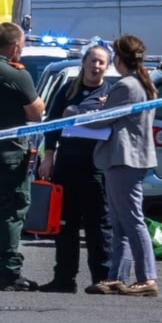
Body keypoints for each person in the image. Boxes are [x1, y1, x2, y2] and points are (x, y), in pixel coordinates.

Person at [85, 34, 159, 297]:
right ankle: (117, 276)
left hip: (124, 160)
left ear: (118, 58)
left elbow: (100, 121)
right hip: (126, 159)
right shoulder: (140, 83)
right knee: (119, 221)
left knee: (132, 220)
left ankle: (147, 277)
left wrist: (76, 116)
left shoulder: (127, 86)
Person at [37, 44, 114, 294]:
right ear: (84, 62)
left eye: (101, 62)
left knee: (97, 226)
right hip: (67, 165)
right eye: (92, 61)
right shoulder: (68, 90)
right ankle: (64, 279)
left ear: (107, 66)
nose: (96, 66)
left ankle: (102, 278)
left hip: (95, 168)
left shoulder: (111, 93)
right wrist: (48, 157)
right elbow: (52, 124)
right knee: (65, 224)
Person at [0, 22, 44, 292]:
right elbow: (36, 113)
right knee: (12, 215)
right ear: (15, 46)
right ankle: (10, 273)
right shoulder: (16, 74)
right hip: (11, 155)